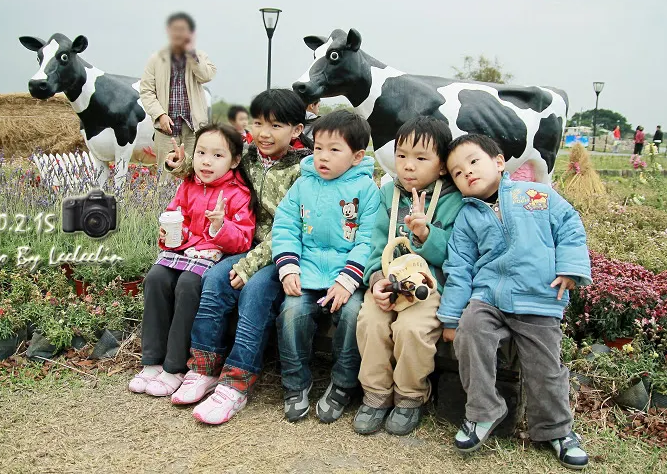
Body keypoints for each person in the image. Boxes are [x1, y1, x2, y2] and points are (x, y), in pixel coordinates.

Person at [441, 134, 592, 470]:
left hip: (537, 297)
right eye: (456, 172)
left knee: (545, 367)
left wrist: (570, 267)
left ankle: (556, 429)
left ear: (498, 162)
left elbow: (569, 225)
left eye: (473, 162)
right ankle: (484, 411)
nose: (466, 172)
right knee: (470, 332)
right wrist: (451, 318)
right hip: (488, 297)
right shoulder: (467, 217)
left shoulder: (535, 194)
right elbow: (460, 267)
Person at [166, 89, 312, 424]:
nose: (264, 132)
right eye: (258, 122)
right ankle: (203, 368)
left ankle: (236, 382)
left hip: (283, 253)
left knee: (256, 292)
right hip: (246, 245)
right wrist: (180, 164)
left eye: (275, 125)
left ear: (296, 131)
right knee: (215, 281)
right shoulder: (247, 158)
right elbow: (215, 164)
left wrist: (249, 265)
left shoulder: (301, 171)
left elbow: (291, 229)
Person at [354, 116, 464, 436]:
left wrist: (427, 236)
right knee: (370, 322)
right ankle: (375, 394)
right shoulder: (388, 193)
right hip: (390, 282)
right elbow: (374, 243)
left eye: (421, 158)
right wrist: (376, 281)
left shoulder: (454, 200)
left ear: (442, 165)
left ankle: (410, 395)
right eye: (402, 155)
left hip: (429, 287)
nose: (408, 166)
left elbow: (458, 255)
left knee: (413, 329)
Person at [129, 124, 256, 397]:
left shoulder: (238, 193)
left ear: (234, 161)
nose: (206, 161)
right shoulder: (189, 185)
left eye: (217, 156)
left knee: (188, 285)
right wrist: (169, 232)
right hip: (184, 251)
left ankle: (174, 366)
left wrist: (220, 226)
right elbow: (176, 218)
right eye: (201, 153)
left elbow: (244, 240)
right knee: (156, 278)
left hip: (214, 254)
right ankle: (152, 360)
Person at [273, 110, 381, 423]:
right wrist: (289, 266)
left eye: (335, 150)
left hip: (347, 278)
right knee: (291, 313)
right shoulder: (303, 185)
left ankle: (343, 384)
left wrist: (348, 280)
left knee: (351, 315)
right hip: (305, 272)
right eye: (318, 147)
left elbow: (368, 240)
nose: (323, 157)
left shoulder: (366, 191)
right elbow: (286, 226)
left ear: (357, 156)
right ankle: (295, 383)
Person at [140, 12, 217, 184]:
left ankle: (190, 210)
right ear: (168, 32)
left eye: (183, 30)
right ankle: (163, 210)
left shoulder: (200, 56)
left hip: (193, 127)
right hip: (166, 128)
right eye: (175, 29)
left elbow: (206, 76)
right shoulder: (155, 59)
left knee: (193, 174)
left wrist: (192, 55)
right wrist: (159, 114)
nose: (179, 34)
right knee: (165, 176)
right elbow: (146, 91)